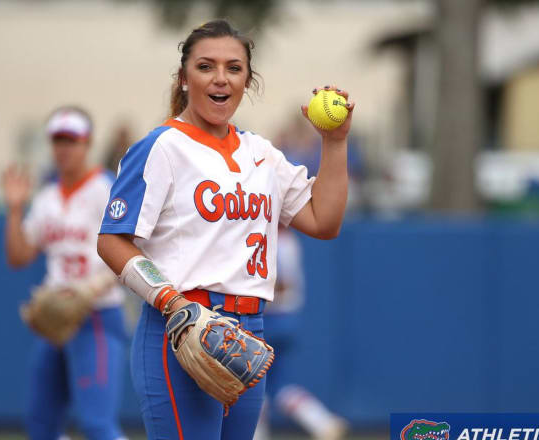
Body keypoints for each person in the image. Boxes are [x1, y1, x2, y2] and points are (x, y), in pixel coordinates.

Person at [96, 19, 354, 440]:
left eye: (234, 68)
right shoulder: (162, 147)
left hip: (248, 333)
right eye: (206, 66)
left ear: (247, 80)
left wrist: (335, 142)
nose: (221, 78)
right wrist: (172, 302)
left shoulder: (261, 153)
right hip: (182, 326)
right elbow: (112, 240)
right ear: (183, 78)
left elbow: (323, 221)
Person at [3, 106, 127, 440]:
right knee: (41, 425)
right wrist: (15, 210)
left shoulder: (108, 189)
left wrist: (90, 290)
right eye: (58, 140)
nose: (63, 148)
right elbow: (19, 256)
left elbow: (134, 252)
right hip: (55, 320)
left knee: (97, 424)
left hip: (97, 315)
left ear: (87, 143)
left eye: (71, 140)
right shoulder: (47, 197)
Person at [253, 227, 349, 440]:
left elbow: (279, 284)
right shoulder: (288, 239)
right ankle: (322, 422)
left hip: (271, 319)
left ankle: (256, 435)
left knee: (252, 383)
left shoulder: (274, 240)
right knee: (278, 385)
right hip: (286, 318)